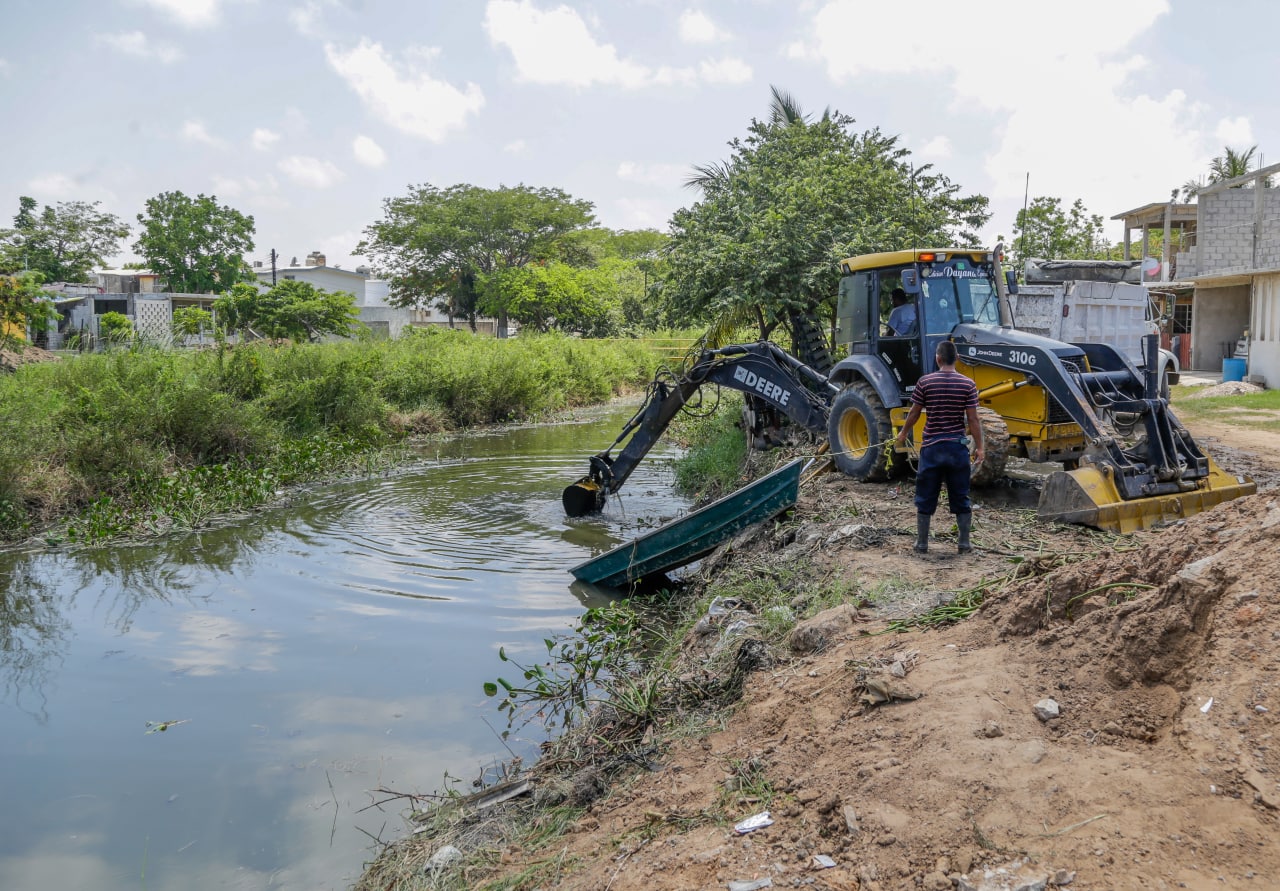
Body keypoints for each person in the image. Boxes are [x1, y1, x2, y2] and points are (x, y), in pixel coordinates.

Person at [894, 340, 984, 554]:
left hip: (932, 449)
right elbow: (973, 420)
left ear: (938, 358)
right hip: (957, 449)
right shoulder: (968, 384)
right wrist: (980, 448)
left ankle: (922, 543)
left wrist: (904, 432)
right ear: (958, 359)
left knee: (925, 495)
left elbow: (914, 413)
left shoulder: (925, 382)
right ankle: (964, 544)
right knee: (961, 496)